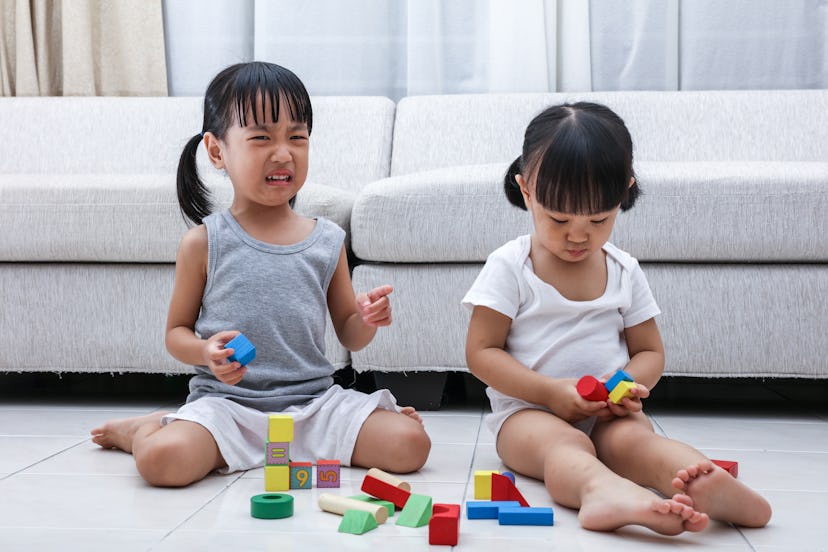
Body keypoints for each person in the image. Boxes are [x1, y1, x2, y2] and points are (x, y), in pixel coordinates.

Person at [91, 62, 430, 487]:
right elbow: (176, 333)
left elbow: (349, 334)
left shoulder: (327, 241)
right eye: (261, 138)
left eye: (297, 137)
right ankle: (146, 428)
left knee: (410, 445)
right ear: (217, 151)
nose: (283, 152)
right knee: (161, 461)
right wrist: (205, 353)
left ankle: (331, 432)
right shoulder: (204, 243)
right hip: (229, 408)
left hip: (313, 406)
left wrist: (366, 319)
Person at [462, 102, 771, 535]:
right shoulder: (511, 266)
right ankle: (600, 492)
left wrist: (625, 387)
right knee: (565, 445)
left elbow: (649, 351)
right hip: (527, 415)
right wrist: (549, 393)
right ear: (526, 189)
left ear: (624, 193)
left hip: (607, 411)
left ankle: (694, 477)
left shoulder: (624, 269)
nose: (577, 234)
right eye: (559, 219)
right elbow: (481, 352)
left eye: (599, 219)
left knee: (636, 441)